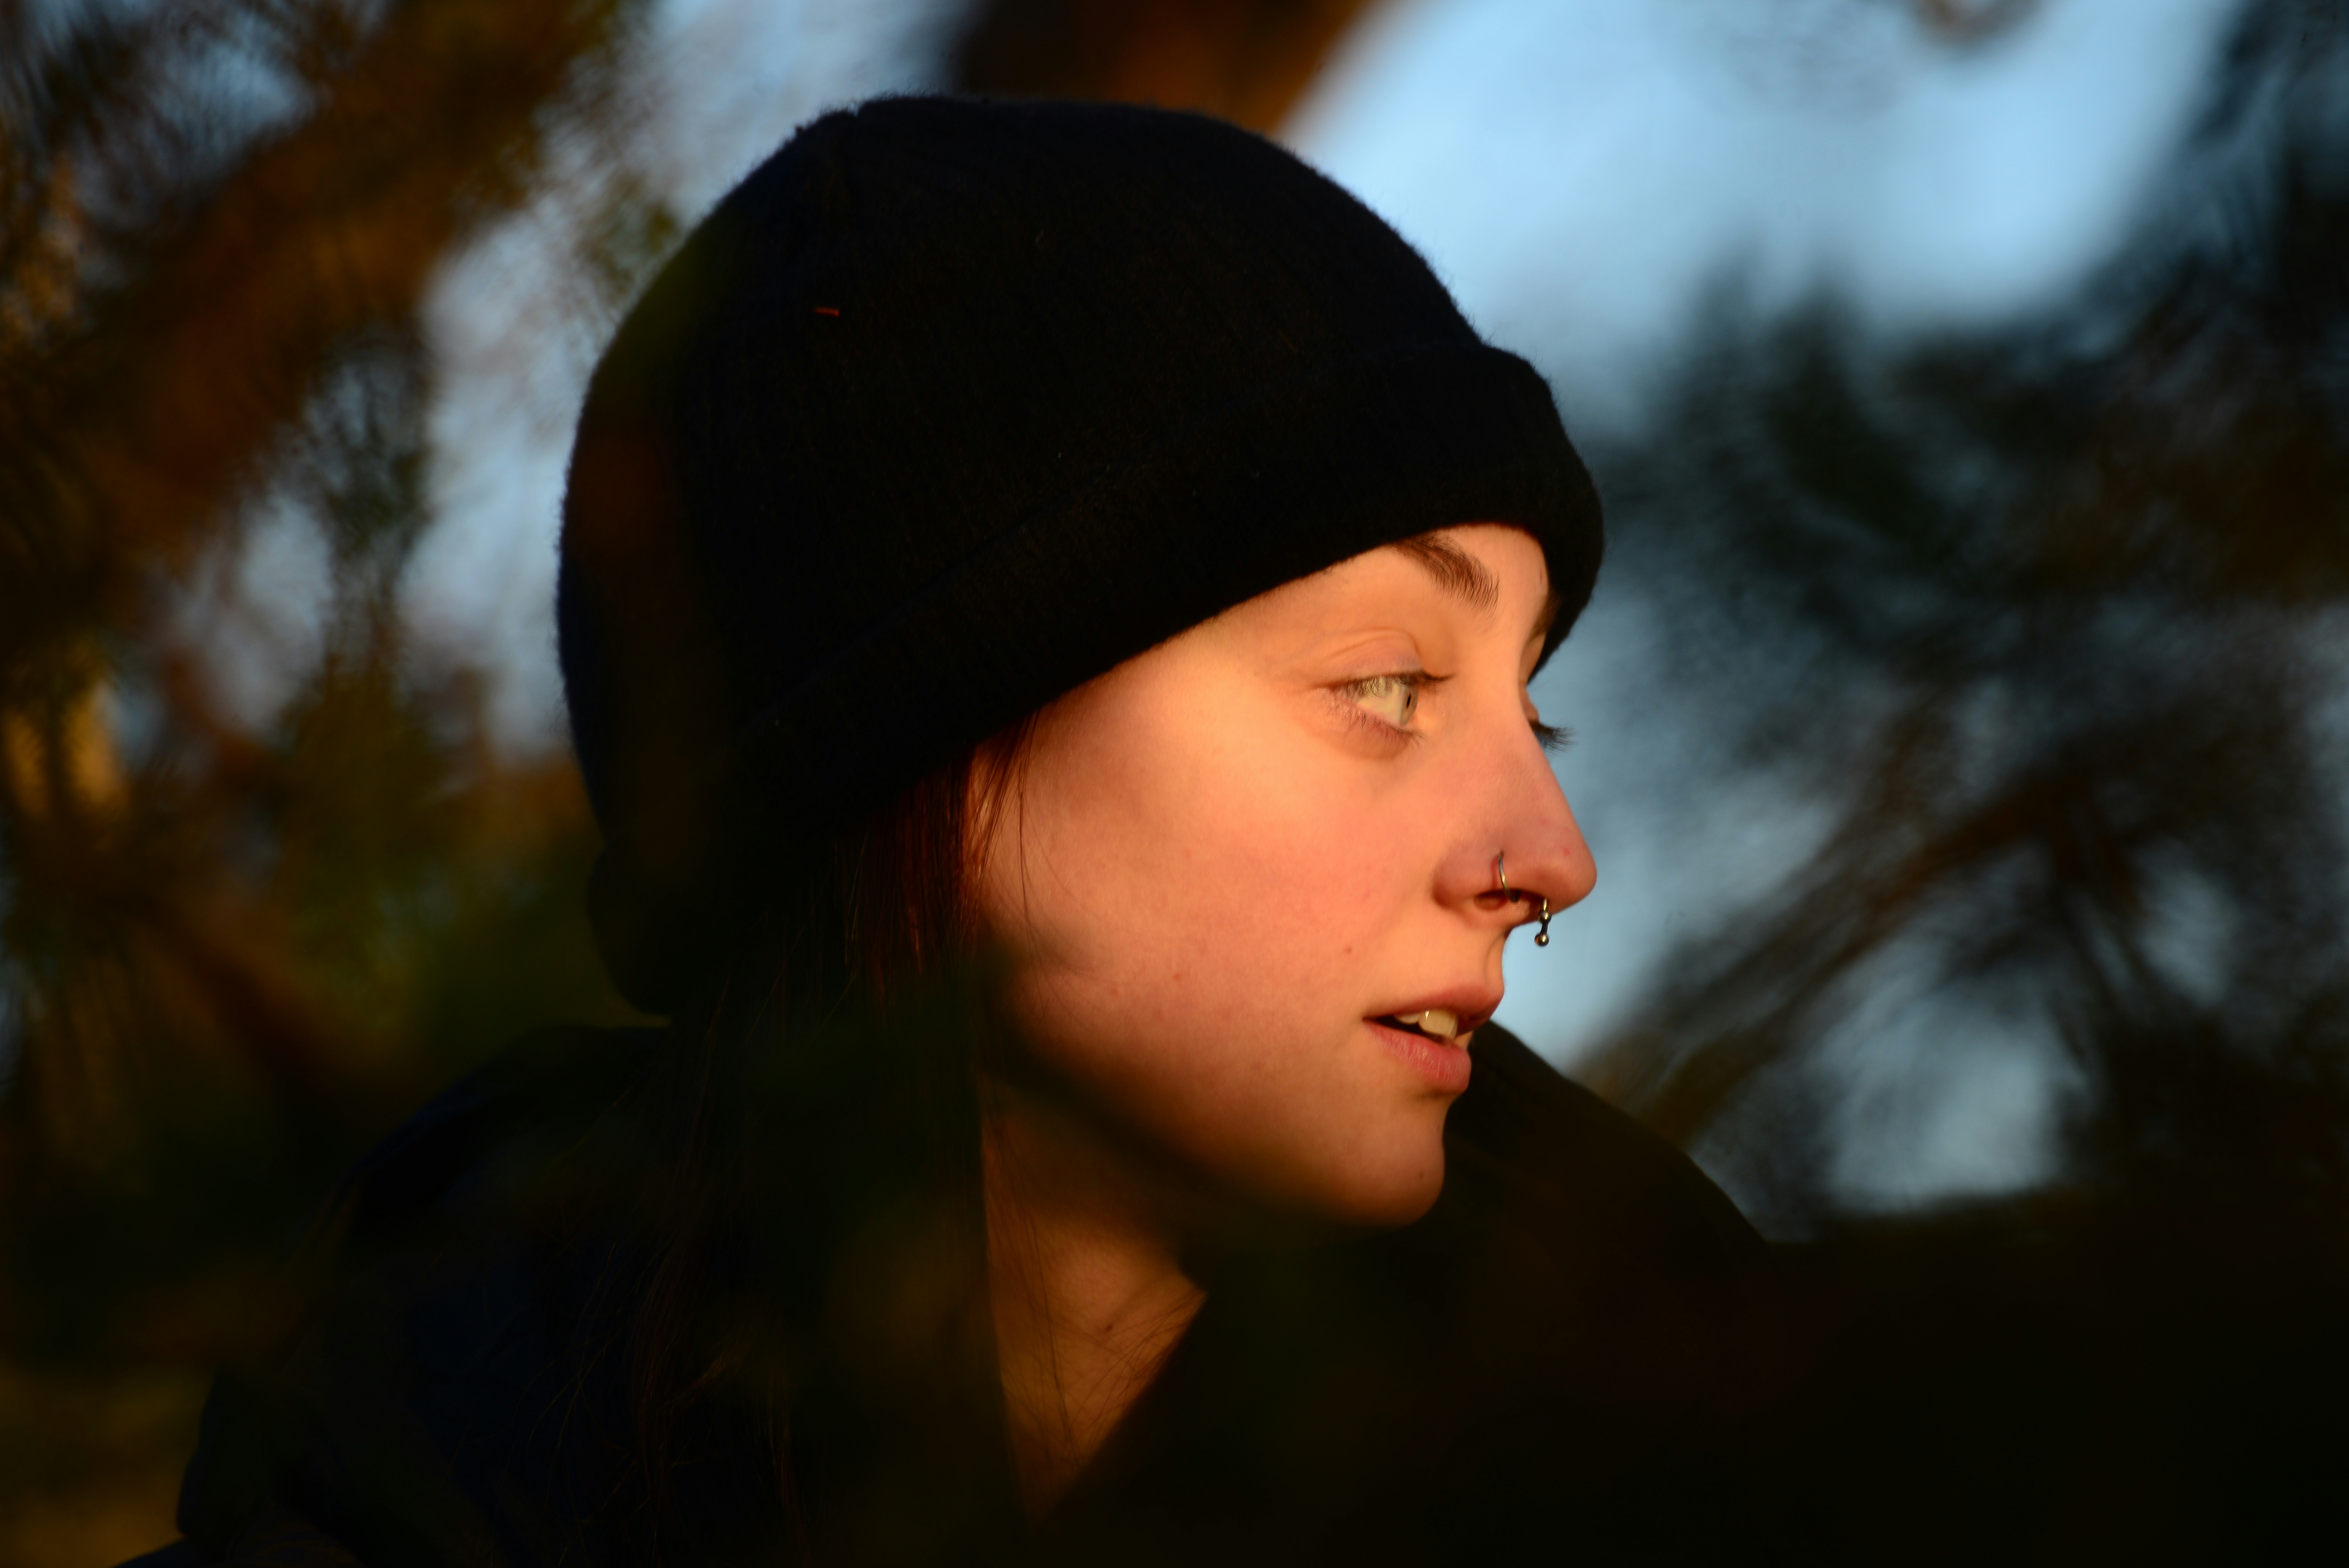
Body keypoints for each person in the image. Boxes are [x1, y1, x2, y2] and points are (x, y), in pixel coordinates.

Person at [135, 95, 1776, 1566]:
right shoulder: (412, 1470)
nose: (1549, 857)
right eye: (1390, 683)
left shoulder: (1736, 1451)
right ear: (914, 743)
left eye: (1530, 708)